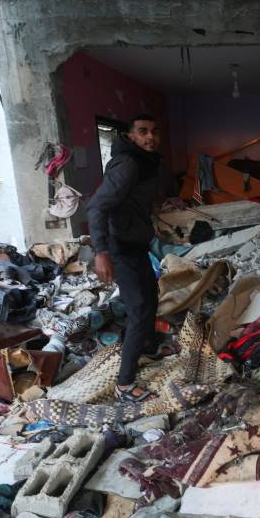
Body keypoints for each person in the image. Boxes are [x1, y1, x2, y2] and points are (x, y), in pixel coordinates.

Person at [87, 114, 166, 402]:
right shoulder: (128, 163)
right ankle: (124, 384)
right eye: (143, 131)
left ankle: (149, 348)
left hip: (135, 244)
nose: (150, 137)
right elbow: (97, 207)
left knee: (151, 297)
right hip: (119, 247)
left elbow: (133, 199)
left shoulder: (146, 161)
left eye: (154, 131)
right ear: (131, 136)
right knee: (140, 308)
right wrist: (101, 252)